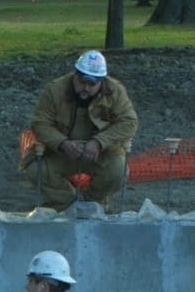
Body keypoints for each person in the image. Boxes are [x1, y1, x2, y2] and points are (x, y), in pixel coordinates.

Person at [31, 49, 138, 210]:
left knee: (118, 170)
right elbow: (40, 123)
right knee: (36, 170)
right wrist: (62, 143)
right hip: (62, 152)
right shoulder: (54, 90)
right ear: (75, 75)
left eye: (92, 84)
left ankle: (93, 203)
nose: (85, 88)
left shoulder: (115, 91)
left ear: (101, 81)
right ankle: (66, 204)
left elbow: (129, 122)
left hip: (101, 153)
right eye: (81, 82)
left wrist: (99, 142)